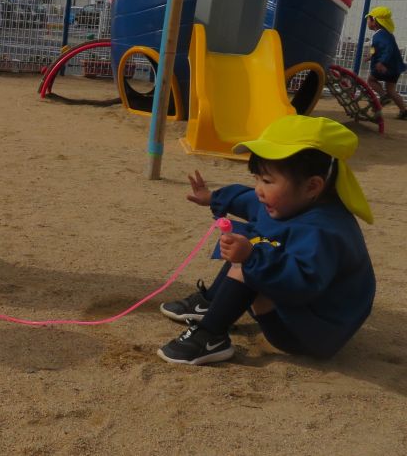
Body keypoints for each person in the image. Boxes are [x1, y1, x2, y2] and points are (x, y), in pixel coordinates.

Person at [158, 115, 375, 365]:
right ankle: (210, 303)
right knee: (250, 244)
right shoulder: (288, 201)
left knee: (252, 256)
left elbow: (303, 283)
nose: (259, 188)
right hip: (296, 309)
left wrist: (252, 257)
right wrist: (213, 198)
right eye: (257, 178)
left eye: (268, 181)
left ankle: (210, 336)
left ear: (312, 186)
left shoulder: (324, 232)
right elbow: (249, 200)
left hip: (309, 332)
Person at [364, 6, 407, 119]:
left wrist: (382, 62)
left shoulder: (380, 35)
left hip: (386, 66)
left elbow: (388, 48)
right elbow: (379, 47)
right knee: (391, 90)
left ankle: (383, 97)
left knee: (371, 80)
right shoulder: (385, 34)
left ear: (375, 21)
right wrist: (371, 55)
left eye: (368, 19)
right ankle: (404, 112)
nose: (367, 21)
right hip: (395, 68)